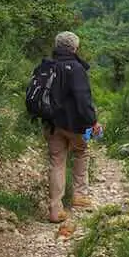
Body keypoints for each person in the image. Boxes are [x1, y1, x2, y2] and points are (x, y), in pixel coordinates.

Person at [44, 31, 103, 223]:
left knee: (57, 162)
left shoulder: (48, 65)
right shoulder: (76, 68)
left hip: (52, 124)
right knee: (82, 152)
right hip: (77, 126)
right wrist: (93, 121)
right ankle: (79, 196)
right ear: (75, 48)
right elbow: (83, 99)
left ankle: (55, 210)